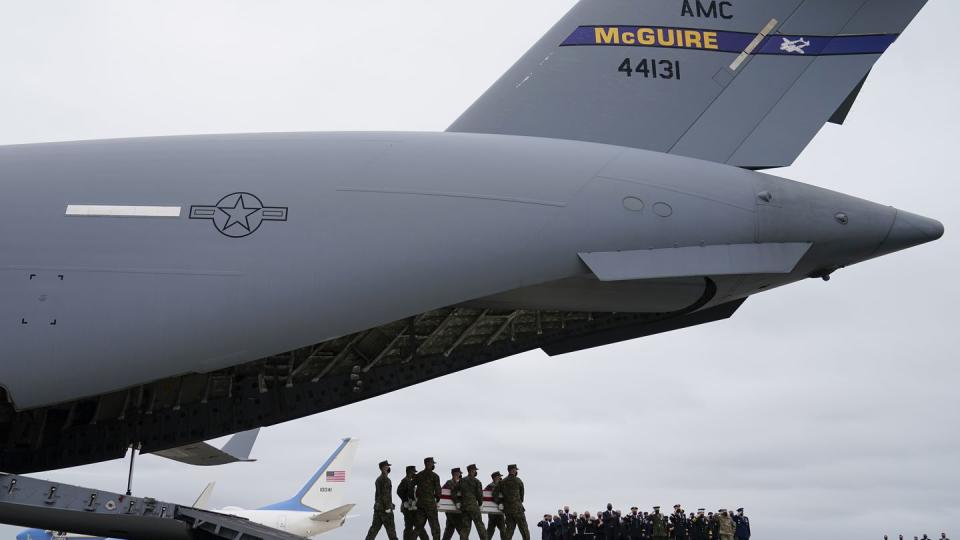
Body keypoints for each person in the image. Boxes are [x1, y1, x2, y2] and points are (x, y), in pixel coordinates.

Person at [365, 460, 399, 540]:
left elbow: (379, 495)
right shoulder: (385, 480)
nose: (388, 468)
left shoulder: (379, 479)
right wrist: (388, 507)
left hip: (378, 509)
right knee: (392, 533)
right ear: (383, 468)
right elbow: (384, 495)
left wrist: (390, 504)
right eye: (387, 466)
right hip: (385, 510)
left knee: (373, 531)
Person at [415, 457, 443, 540]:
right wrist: (437, 499)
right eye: (432, 463)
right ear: (428, 464)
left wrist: (414, 497)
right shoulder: (435, 476)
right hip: (430, 505)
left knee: (418, 527)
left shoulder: (418, 475)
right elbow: (438, 491)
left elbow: (411, 487)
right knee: (435, 528)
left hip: (420, 504)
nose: (433, 465)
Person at [500, 464, 530, 540]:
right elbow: (522, 496)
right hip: (518, 509)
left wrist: (501, 502)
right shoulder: (518, 481)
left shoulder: (502, 482)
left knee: (509, 530)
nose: (516, 471)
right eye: (516, 470)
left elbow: (495, 493)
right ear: (513, 470)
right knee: (524, 529)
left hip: (508, 509)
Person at [458, 464, 488, 540]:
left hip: (464, 507)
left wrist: (457, 502)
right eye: (475, 470)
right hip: (474, 507)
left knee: (465, 529)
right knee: (480, 526)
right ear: (472, 470)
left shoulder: (462, 480)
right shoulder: (477, 481)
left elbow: (454, 492)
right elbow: (479, 495)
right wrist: (480, 503)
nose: (475, 472)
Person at [398, 465, 423, 540]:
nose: (414, 474)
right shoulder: (405, 481)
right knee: (410, 527)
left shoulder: (411, 481)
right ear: (409, 472)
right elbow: (399, 491)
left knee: (412, 527)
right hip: (407, 508)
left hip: (412, 508)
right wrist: (405, 500)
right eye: (413, 472)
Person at [442, 468, 464, 540]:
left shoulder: (461, 483)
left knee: (449, 530)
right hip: (452, 510)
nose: (460, 475)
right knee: (461, 530)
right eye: (459, 473)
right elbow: (445, 492)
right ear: (455, 474)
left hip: (457, 510)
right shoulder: (449, 483)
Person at [486, 472, 507, 540]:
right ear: (495, 477)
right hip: (492, 512)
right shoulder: (489, 487)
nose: (500, 478)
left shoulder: (502, 486)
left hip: (500, 512)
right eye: (499, 477)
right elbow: (486, 496)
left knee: (503, 530)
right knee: (490, 530)